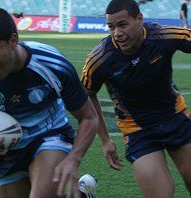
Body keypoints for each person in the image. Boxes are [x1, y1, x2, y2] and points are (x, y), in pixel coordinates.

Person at [0, 7, 99, 198]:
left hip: (49, 135)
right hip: (5, 150)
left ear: (13, 41)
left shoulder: (52, 64)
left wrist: (74, 159)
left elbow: (89, 118)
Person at [80, 0, 191, 197]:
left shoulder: (162, 35)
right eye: (111, 27)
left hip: (175, 117)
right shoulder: (100, 58)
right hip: (138, 130)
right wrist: (105, 140)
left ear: (140, 19)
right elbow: (86, 94)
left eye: (122, 25)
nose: (117, 33)